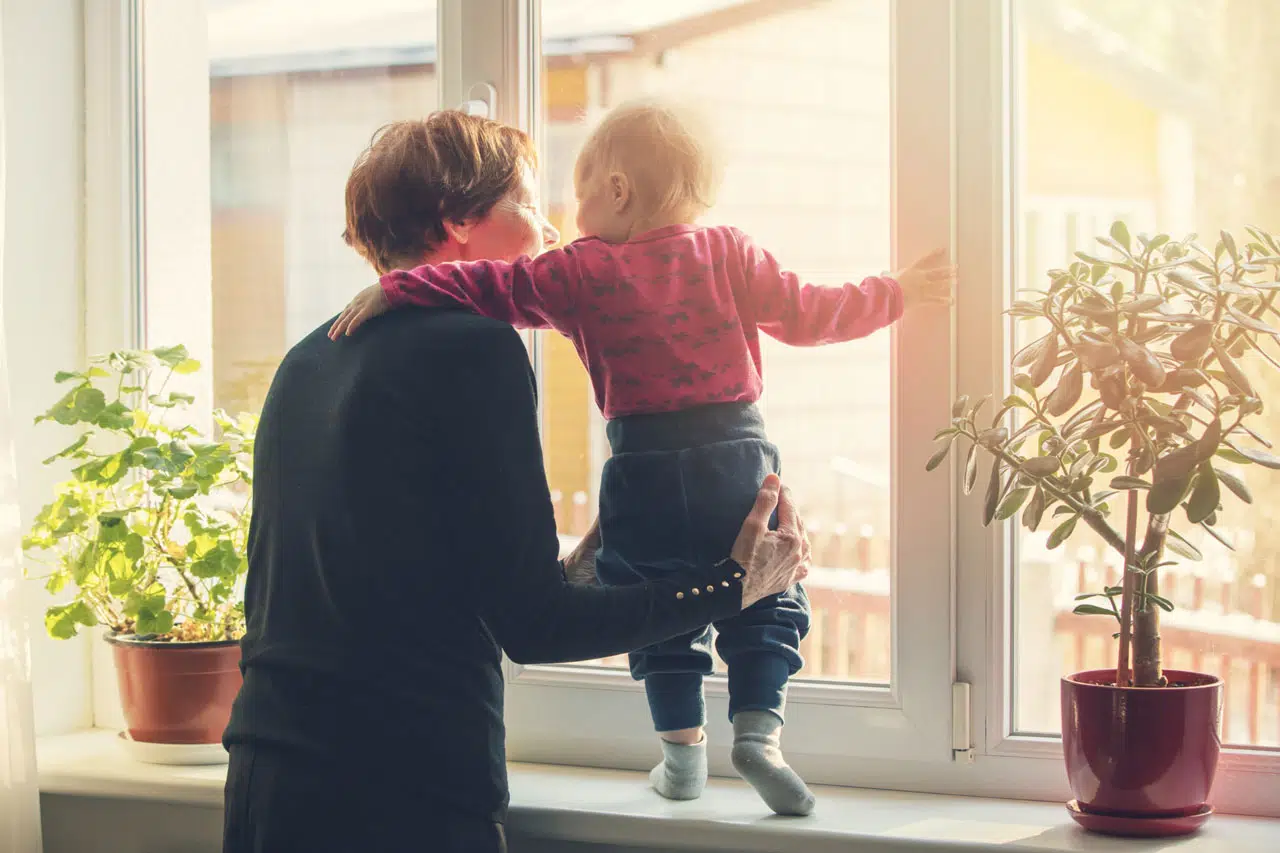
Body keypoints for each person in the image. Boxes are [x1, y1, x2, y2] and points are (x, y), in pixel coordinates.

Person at [329, 99, 956, 817]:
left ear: (619, 191)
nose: (558, 222)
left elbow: (490, 287)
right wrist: (898, 291)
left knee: (651, 598)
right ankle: (760, 731)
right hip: (739, 455)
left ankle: (682, 755)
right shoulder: (726, 252)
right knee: (773, 588)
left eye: (574, 193)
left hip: (642, 468)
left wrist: (395, 285)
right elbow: (814, 312)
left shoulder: (573, 274)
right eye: (537, 203)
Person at [220, 111, 812, 853]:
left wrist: (595, 552)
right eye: (528, 205)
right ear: (459, 221)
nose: (550, 232)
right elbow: (534, 626)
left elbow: (411, 592)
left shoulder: (307, 359)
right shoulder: (472, 345)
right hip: (401, 796)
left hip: (265, 782)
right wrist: (735, 585)